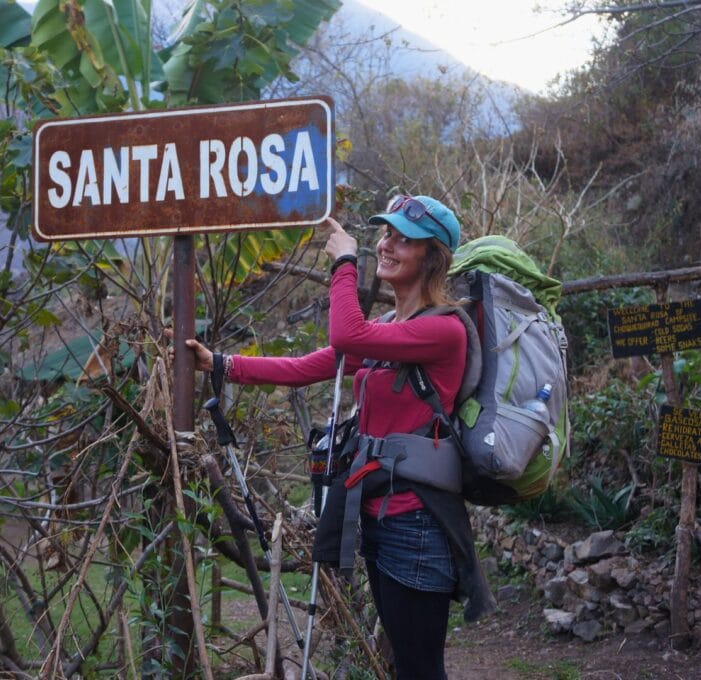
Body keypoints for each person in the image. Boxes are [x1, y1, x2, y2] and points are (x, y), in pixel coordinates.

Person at [184, 195, 494, 679]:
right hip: (377, 513)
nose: (386, 245)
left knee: (420, 667)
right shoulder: (390, 327)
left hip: (417, 522)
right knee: (406, 666)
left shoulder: (445, 330)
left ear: (432, 256)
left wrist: (346, 261)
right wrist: (223, 365)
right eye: (385, 235)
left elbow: (346, 335)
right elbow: (310, 366)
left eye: (401, 239)